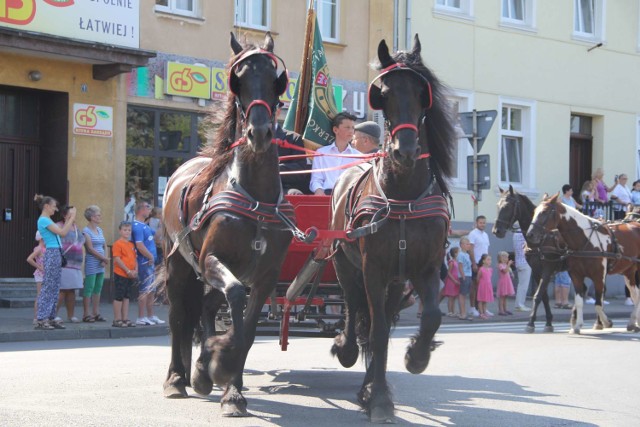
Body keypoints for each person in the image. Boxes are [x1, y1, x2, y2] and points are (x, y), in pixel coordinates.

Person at [33, 194, 77, 330]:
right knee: (48, 286)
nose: (56, 209)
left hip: (56, 252)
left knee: (54, 286)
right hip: (52, 253)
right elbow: (63, 232)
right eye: (53, 206)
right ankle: (42, 318)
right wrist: (71, 218)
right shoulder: (44, 220)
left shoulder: (47, 220)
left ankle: (50, 317)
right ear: (46, 206)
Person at [309, 112, 359, 195]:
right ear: (335, 130)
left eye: (353, 128)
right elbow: (316, 179)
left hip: (348, 198)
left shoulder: (359, 157)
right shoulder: (321, 153)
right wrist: (319, 191)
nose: (351, 131)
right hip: (326, 195)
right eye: (347, 127)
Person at [132, 201, 165, 326]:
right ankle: (141, 317)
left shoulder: (144, 226)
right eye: (147, 207)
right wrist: (150, 256)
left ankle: (150, 315)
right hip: (144, 261)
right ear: (141, 210)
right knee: (144, 290)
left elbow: (156, 237)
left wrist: (162, 224)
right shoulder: (136, 226)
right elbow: (139, 245)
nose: (150, 210)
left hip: (150, 261)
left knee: (151, 290)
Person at [55, 205, 85, 323]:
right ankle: (54, 315)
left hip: (75, 264)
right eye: (71, 213)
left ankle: (71, 315)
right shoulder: (59, 226)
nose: (74, 215)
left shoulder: (76, 227)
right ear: (64, 215)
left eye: (75, 213)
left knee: (72, 290)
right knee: (62, 290)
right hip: (65, 263)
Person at [275, 102, 311, 195]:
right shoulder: (248, 137)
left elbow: (300, 168)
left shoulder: (293, 138)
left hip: (281, 187)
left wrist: (273, 169)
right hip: (252, 187)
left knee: (296, 195)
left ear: (278, 111)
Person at [82, 205, 109, 323]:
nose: (100, 217)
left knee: (98, 288)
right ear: (92, 217)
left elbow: (104, 245)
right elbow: (90, 248)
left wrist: (105, 258)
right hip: (92, 262)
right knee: (89, 287)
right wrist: (103, 258)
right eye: (98, 215)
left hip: (101, 263)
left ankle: (96, 312)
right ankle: (86, 313)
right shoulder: (86, 231)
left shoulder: (100, 230)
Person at [111, 221, 138, 328]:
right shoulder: (117, 244)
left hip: (130, 274)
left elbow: (134, 258)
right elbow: (117, 259)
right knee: (119, 296)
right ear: (120, 231)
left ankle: (125, 318)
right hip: (121, 273)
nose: (127, 232)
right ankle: (117, 319)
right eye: (125, 230)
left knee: (127, 296)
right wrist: (127, 270)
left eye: (129, 230)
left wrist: (135, 270)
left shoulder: (131, 244)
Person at [467, 215, 490, 317]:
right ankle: (472, 308)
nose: (482, 224)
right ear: (477, 223)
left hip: (484, 264)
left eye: (484, 222)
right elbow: (470, 249)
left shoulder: (485, 235)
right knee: (474, 286)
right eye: (481, 222)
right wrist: (473, 263)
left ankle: (483, 309)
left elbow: (486, 250)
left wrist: (487, 264)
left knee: (483, 287)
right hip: (476, 262)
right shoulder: (473, 234)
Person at [26, 232, 45, 325]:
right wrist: (39, 267)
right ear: (42, 238)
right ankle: (36, 317)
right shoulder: (39, 249)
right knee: (40, 295)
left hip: (46, 275)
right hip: (40, 275)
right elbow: (29, 259)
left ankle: (42, 315)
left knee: (44, 295)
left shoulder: (45, 248)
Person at [512, 226, 531, 312]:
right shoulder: (524, 235)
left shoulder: (515, 235)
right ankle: (520, 304)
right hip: (525, 262)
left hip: (518, 261)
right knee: (524, 285)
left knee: (521, 284)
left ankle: (518, 304)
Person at [456, 237, 473, 321]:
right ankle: (462, 313)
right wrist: (463, 276)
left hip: (468, 275)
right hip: (465, 276)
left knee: (464, 295)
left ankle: (463, 312)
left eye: (469, 244)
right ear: (462, 245)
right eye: (467, 244)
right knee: (462, 295)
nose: (468, 245)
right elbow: (460, 266)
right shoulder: (460, 254)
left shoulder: (467, 254)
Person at [441, 247, 461, 317]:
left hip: (456, 281)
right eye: (459, 252)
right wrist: (454, 280)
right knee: (451, 297)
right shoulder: (452, 262)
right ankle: (450, 311)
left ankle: (453, 311)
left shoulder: (458, 262)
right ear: (455, 254)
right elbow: (449, 273)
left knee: (454, 297)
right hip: (451, 281)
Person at [496, 251, 515, 316]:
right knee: (502, 297)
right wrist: (509, 264)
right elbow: (504, 271)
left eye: (506, 257)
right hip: (503, 283)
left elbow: (508, 272)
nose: (506, 258)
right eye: (504, 257)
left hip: (507, 282)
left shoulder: (506, 265)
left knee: (505, 297)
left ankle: (505, 309)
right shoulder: (500, 265)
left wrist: (511, 274)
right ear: (500, 258)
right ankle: (500, 310)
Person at [476, 254, 494, 320]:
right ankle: (481, 313)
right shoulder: (481, 269)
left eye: (490, 260)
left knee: (485, 300)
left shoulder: (490, 269)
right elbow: (478, 278)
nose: (490, 261)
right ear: (483, 261)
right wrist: (480, 285)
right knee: (481, 300)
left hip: (488, 286)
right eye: (488, 259)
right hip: (482, 286)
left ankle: (484, 312)